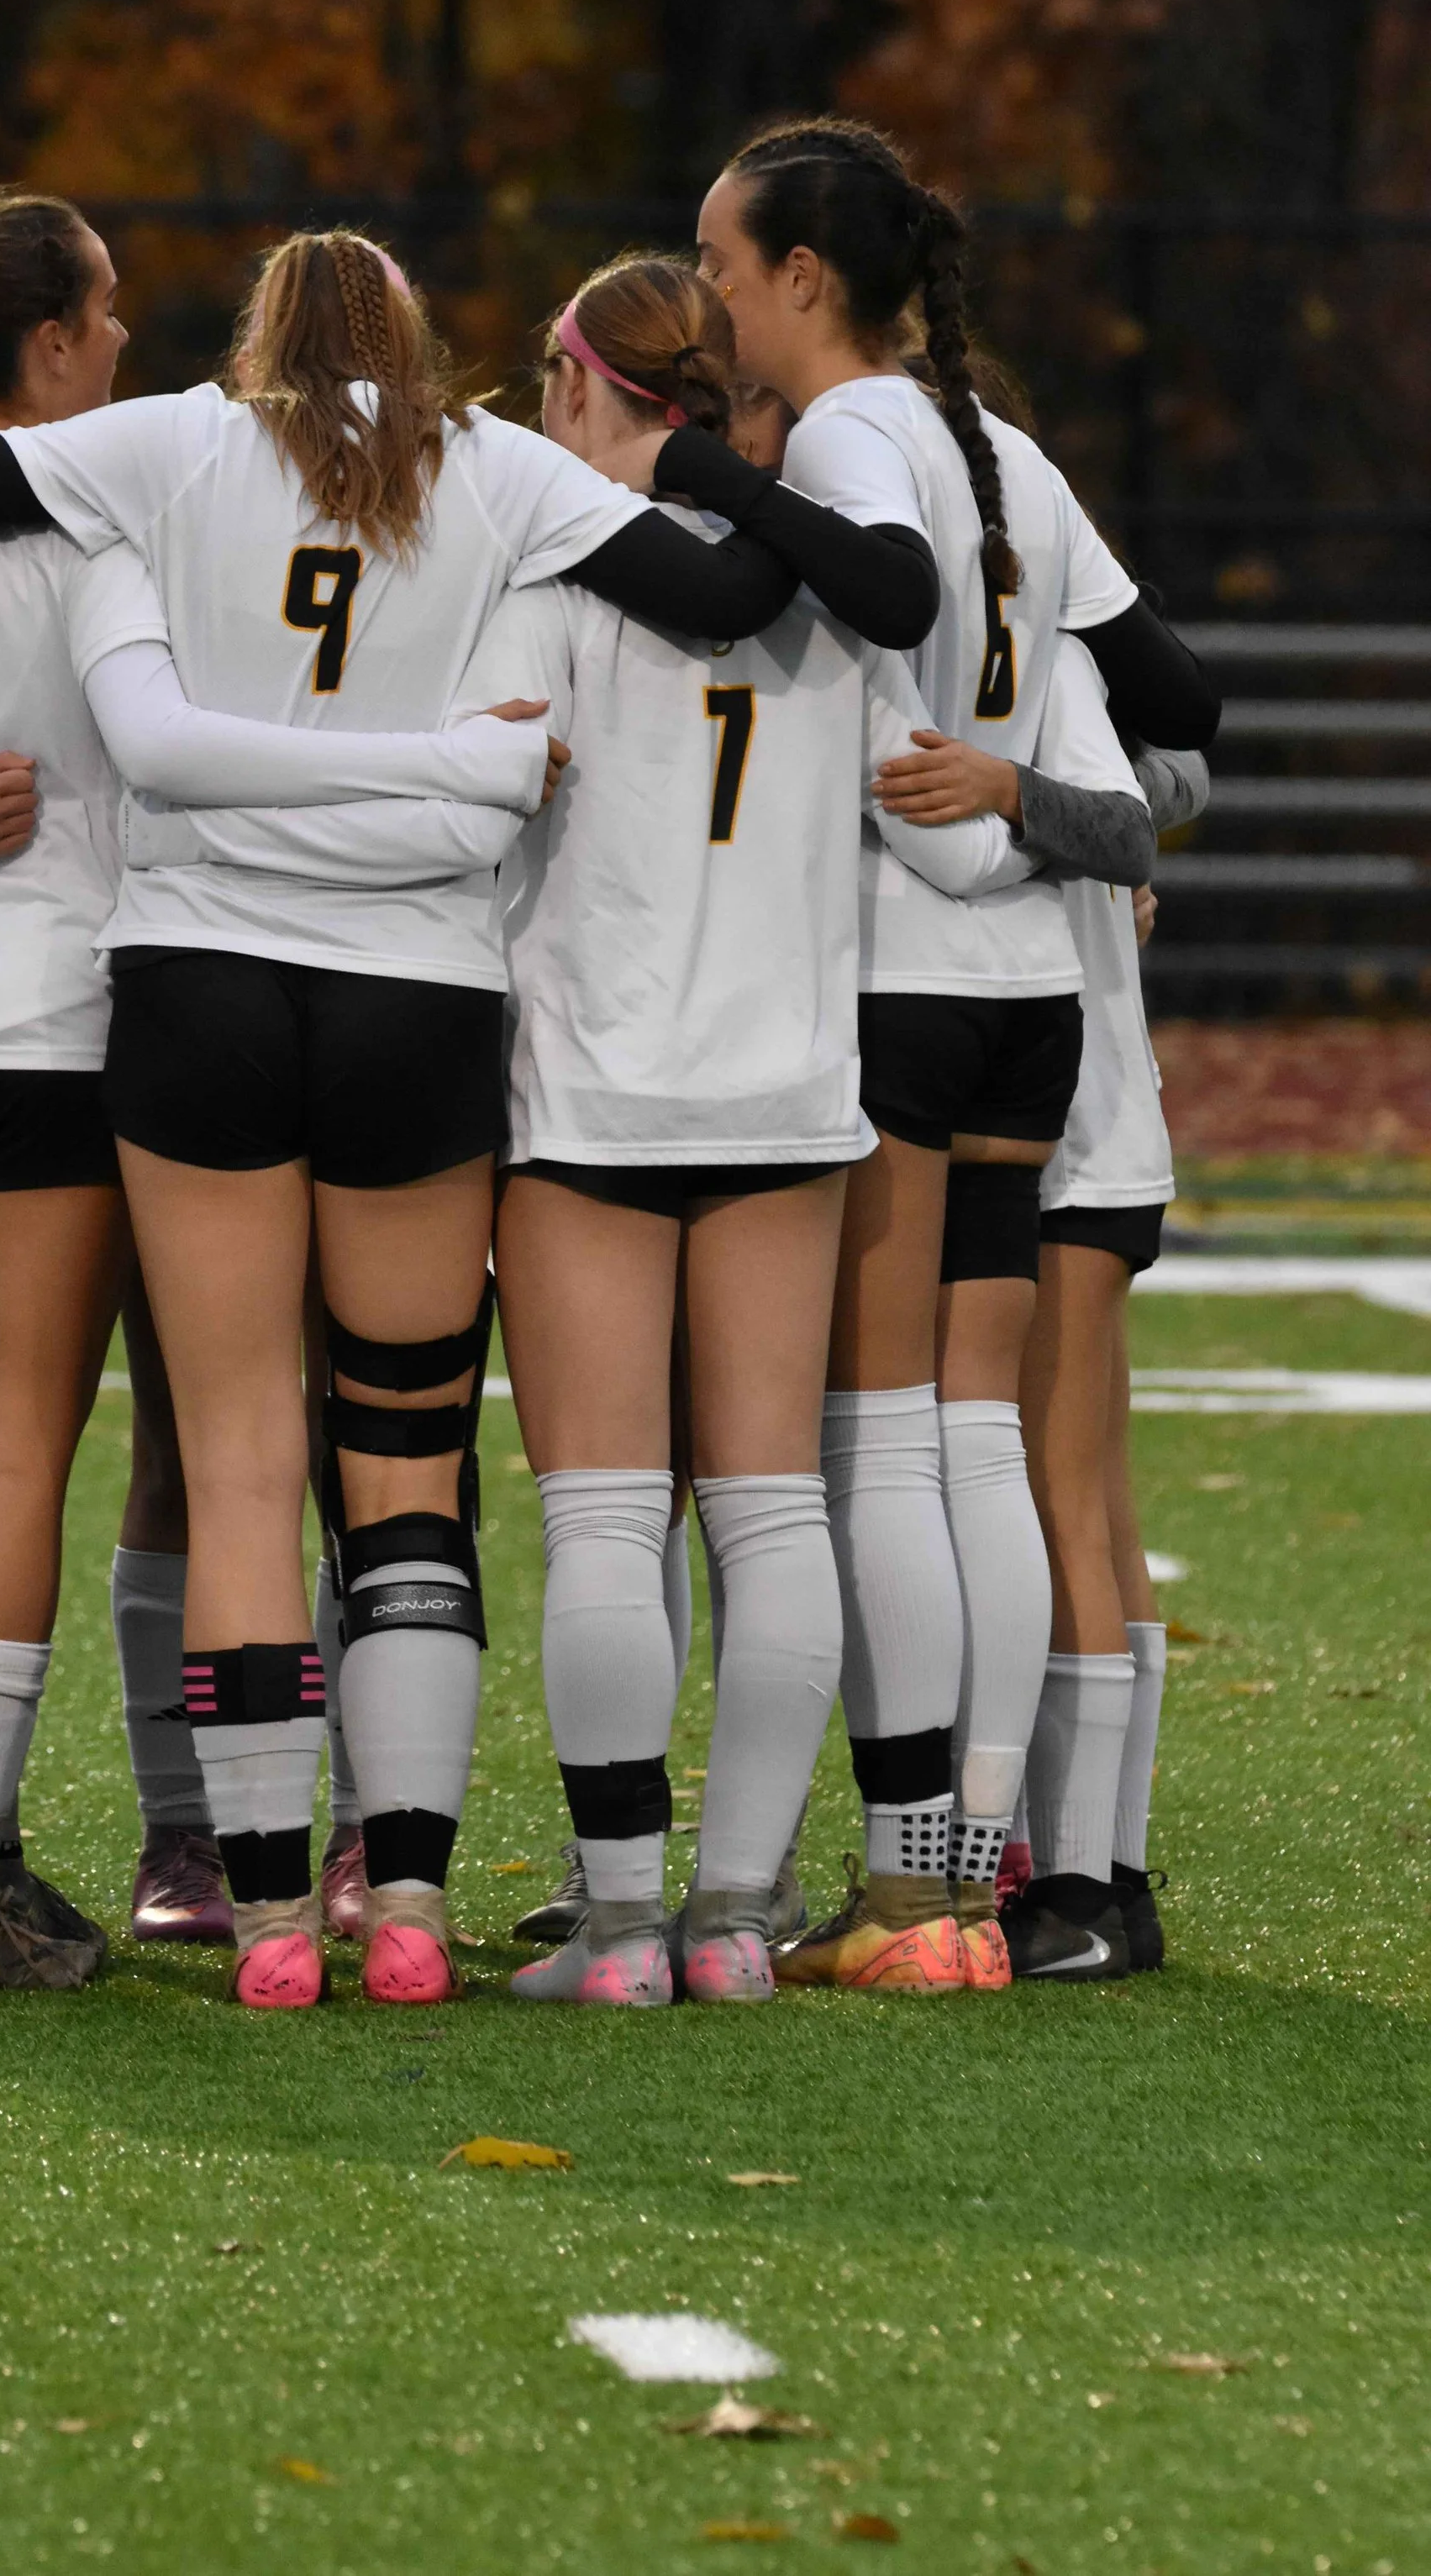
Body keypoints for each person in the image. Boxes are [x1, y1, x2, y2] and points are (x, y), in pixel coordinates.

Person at [0, 229, 811, 2007]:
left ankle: (266, 1919)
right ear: (415, 336)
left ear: (253, 331)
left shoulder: (169, 446)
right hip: (416, 994)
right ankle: (407, 1906)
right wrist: (439, 776)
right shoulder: (496, 467)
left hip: (194, 982)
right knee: (405, 1468)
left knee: (243, 1460)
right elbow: (695, 630)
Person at [457, 260, 1038, 2009]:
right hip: (789, 1099)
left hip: (593, 1099)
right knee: (775, 1512)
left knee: (609, 1519)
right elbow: (941, 846)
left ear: (582, 386)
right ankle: (738, 1920)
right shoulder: (825, 601)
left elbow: (480, 799)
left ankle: (624, 1928)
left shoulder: (542, 558)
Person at [690, 116, 1215, 1994]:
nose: (714, 307)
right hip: (1029, 1001)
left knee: (882, 1442)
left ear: (804, 283)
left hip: (908, 973)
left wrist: (967, 831)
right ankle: (980, 1862)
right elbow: (1161, 712)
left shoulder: (843, 435)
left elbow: (895, 649)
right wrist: (1022, 839)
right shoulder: (1000, 440)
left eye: (727, 274)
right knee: (979, 1438)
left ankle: (913, 1884)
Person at [1009, 644, 1205, 1978]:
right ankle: (1114, 1876)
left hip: (1065, 1123)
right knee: (1095, 1497)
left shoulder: (1020, 620)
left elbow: (1165, 771)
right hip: (1103, 1115)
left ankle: (1076, 1888)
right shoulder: (1056, 612)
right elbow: (1177, 759)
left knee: (1058, 1494)